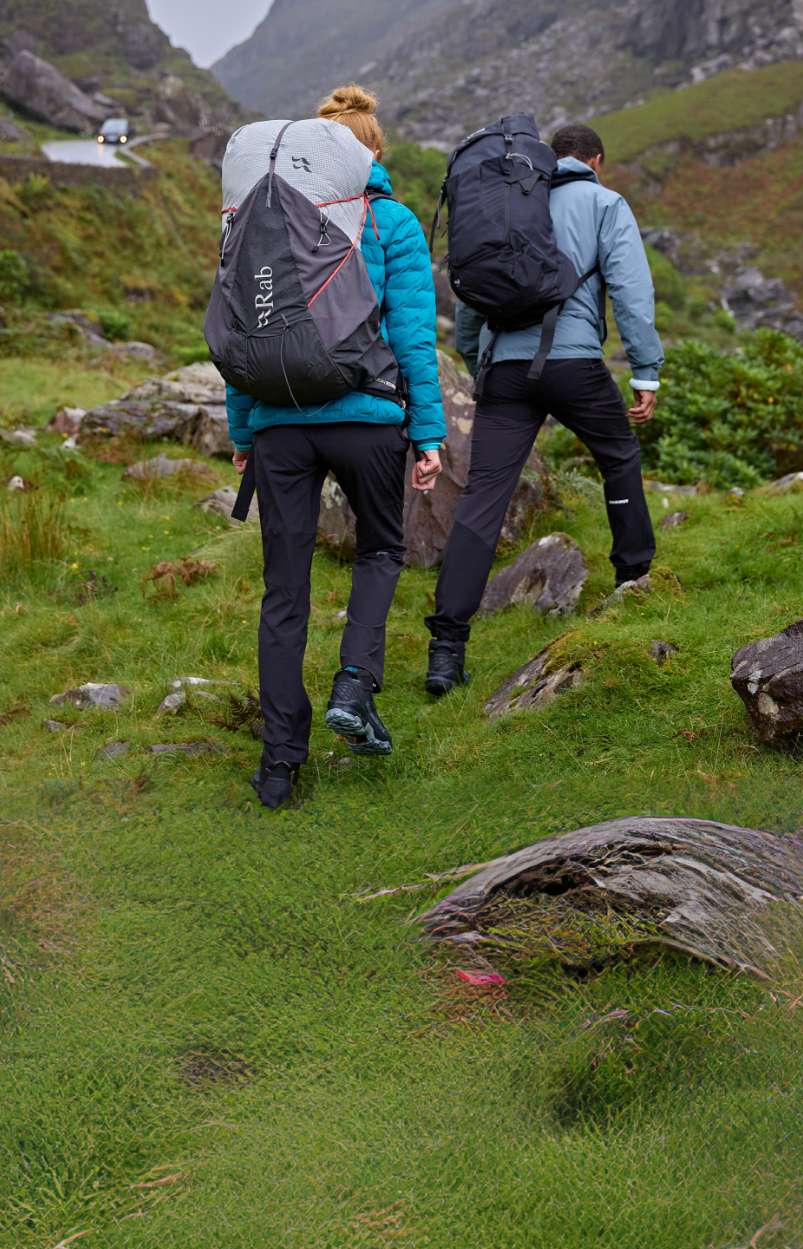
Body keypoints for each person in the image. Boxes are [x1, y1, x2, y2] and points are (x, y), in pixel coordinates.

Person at [224, 86, 447, 810]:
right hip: (368, 419)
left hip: (280, 425)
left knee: (284, 591)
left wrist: (243, 431)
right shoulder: (391, 221)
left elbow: (243, 329)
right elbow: (413, 337)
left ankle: (280, 765)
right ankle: (353, 684)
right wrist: (429, 433)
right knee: (380, 550)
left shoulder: (259, 220)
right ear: (370, 152)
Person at [423, 120, 662, 698]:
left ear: (549, 158)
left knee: (483, 497)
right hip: (574, 362)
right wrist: (645, 369)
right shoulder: (604, 203)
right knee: (618, 457)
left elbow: (474, 299)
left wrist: (481, 363)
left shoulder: (507, 202)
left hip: (505, 368)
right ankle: (634, 580)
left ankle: (446, 650)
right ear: (595, 161)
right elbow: (631, 291)